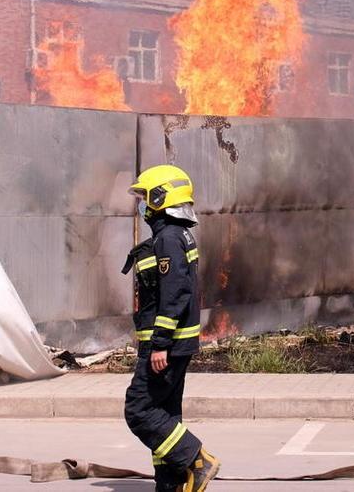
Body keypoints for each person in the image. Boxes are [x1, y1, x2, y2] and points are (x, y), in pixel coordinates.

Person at [122, 164, 220, 492]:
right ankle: (172, 483)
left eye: (145, 197)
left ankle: (197, 460)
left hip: (166, 345)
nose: (141, 204)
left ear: (160, 198)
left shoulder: (168, 238)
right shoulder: (175, 235)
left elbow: (176, 293)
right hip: (175, 343)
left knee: (140, 409)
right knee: (165, 412)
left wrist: (160, 342)